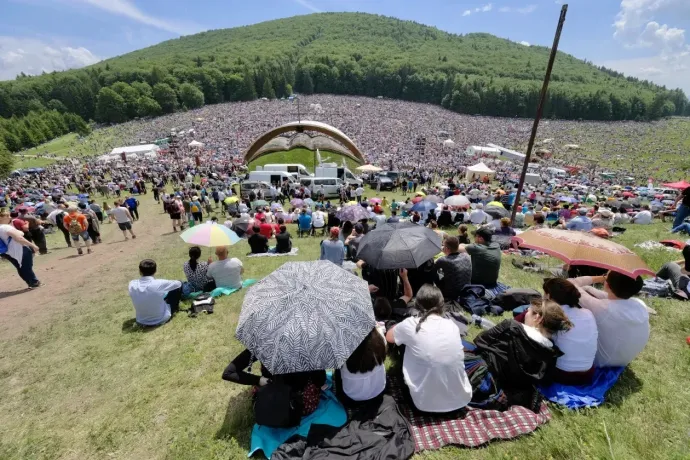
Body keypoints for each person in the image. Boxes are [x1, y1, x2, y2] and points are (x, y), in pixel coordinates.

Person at [385, 284, 472, 414]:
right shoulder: (452, 325)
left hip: (422, 406)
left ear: (417, 304)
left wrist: (398, 325)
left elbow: (389, 337)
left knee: (402, 341)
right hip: (460, 402)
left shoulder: (411, 324)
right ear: (442, 306)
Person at [473, 300, 572, 409]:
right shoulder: (552, 353)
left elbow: (479, 341)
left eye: (528, 311)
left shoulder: (510, 327)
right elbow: (546, 380)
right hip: (513, 390)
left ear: (537, 318)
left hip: (487, 380)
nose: (525, 314)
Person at [570, 271, 649, 367]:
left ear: (606, 284)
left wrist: (600, 278)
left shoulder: (604, 308)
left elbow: (571, 284)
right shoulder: (640, 304)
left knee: (572, 305)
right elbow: (607, 296)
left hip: (602, 360)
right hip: (624, 358)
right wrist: (588, 288)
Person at [222, 349, 327, 421]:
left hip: (269, 404)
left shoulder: (262, 344)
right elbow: (320, 381)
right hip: (300, 405)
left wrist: (259, 380)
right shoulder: (308, 344)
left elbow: (228, 373)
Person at [542, 278, 598, 385]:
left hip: (561, 374)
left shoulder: (552, 314)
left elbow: (518, 324)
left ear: (549, 296)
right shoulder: (588, 313)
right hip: (587, 374)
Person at [335, 328, 387, 407]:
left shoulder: (340, 348)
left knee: (338, 369)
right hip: (378, 393)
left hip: (351, 399)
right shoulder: (379, 337)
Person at [128, 259, 182, 326]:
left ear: (140, 271)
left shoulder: (132, 284)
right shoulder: (159, 283)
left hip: (141, 320)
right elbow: (178, 284)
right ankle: (175, 308)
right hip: (161, 318)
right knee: (176, 288)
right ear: (155, 271)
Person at [0, 208, 41, 288]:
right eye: (7, 216)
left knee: (20, 267)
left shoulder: (3, 227)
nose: (9, 217)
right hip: (19, 249)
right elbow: (19, 238)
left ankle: (30, 282)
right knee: (26, 266)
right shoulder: (5, 227)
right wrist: (33, 245)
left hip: (7, 252)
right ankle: (34, 282)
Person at [434, 236, 472, 301]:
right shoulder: (466, 256)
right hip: (466, 290)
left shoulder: (442, 260)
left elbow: (436, 276)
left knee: (435, 274)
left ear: (447, 248)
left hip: (450, 294)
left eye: (443, 245)